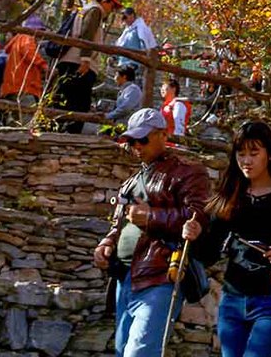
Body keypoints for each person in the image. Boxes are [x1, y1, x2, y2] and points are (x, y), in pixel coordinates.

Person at [93, 108, 210, 357]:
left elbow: (198, 218)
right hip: (124, 276)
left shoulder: (187, 172)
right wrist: (107, 243)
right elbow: (119, 223)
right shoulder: (132, 180)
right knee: (123, 349)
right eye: (132, 140)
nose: (136, 146)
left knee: (139, 352)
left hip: (160, 275)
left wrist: (151, 217)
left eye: (142, 139)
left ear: (162, 135)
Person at [202, 121, 271, 357]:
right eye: (241, 154)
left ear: (269, 154)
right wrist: (194, 234)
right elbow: (207, 254)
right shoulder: (229, 199)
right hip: (232, 300)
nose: (246, 161)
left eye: (254, 153)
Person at [53, 0, 119, 132]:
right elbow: (87, 34)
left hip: (71, 58)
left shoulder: (84, 10)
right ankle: (70, 134)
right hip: (78, 61)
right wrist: (85, 60)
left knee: (64, 97)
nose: (112, 10)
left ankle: (55, 128)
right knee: (80, 102)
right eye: (112, 5)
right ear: (104, 1)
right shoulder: (95, 11)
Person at [0, 15, 48, 117]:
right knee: (26, 119)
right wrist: (43, 65)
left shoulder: (17, 40)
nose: (40, 36)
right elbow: (28, 51)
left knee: (15, 118)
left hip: (13, 86)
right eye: (40, 31)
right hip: (24, 86)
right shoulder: (26, 37)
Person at [115, 7, 158, 75]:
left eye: (125, 17)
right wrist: (115, 56)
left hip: (133, 64)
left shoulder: (140, 28)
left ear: (132, 15)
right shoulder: (127, 30)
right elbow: (121, 44)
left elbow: (144, 42)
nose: (124, 20)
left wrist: (144, 60)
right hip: (122, 63)